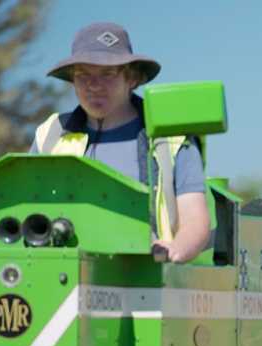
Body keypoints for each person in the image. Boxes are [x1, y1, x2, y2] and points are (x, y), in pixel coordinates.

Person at [30, 22, 210, 263]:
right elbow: (28, 209)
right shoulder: (51, 133)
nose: (94, 85)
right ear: (72, 80)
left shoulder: (171, 137)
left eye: (107, 74)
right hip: (63, 280)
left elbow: (195, 221)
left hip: (147, 283)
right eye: (83, 75)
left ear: (132, 78)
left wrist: (172, 252)